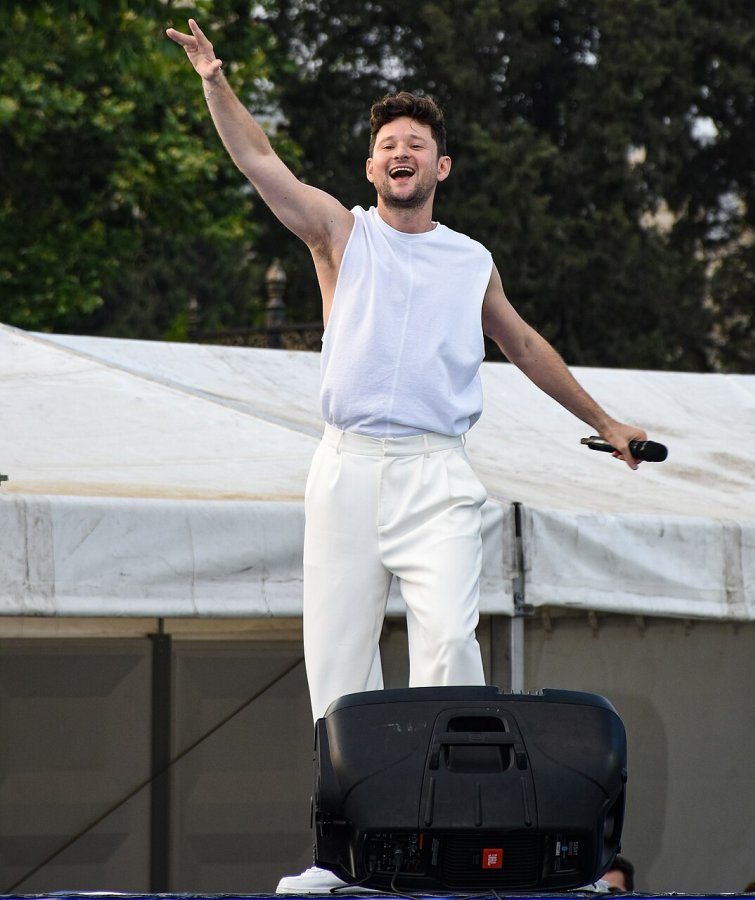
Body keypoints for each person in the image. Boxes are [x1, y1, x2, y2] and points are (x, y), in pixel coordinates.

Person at [165, 19, 649, 725]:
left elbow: (523, 345)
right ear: (371, 169)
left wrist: (606, 422)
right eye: (388, 145)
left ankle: (446, 782)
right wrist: (215, 81)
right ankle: (349, 790)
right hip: (347, 467)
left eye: (415, 145)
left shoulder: (471, 261)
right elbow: (259, 159)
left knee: (450, 643)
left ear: (439, 168)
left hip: (436, 473)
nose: (401, 152)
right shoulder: (340, 233)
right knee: (338, 665)